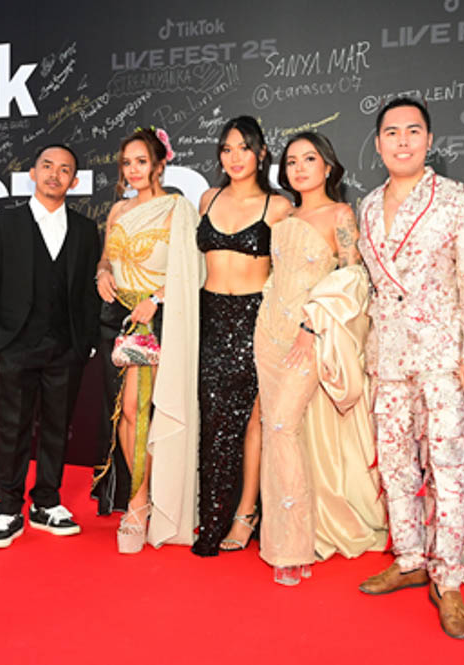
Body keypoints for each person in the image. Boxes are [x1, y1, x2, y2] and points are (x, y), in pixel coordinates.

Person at [355, 97, 464, 640]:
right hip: (387, 355)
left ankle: (449, 579)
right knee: (394, 463)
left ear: (429, 140)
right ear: (378, 144)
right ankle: (411, 558)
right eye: (392, 132)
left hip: (441, 355)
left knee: (447, 465)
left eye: (413, 131)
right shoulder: (368, 205)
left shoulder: (461, 200)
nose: (403, 141)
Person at [254, 132, 379, 585]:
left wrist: (312, 326)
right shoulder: (284, 216)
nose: (299, 168)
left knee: (281, 427)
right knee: (279, 432)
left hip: (309, 335)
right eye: (291, 161)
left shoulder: (341, 214)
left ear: (328, 167)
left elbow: (354, 277)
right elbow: (276, 277)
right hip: (268, 333)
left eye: (309, 159)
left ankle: (291, 547)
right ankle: (294, 533)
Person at [0, 144, 100, 549]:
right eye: (47, 166)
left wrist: (86, 343)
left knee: (56, 428)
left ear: (74, 182)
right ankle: (7, 506)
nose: (54, 175)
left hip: (66, 346)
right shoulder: (4, 224)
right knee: (12, 427)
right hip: (16, 344)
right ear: (32, 172)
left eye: (64, 170)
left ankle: (46, 501)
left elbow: (87, 293)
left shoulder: (85, 230)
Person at [92, 127, 202, 553]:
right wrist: (102, 272)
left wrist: (155, 299)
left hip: (153, 319)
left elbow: (192, 269)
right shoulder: (118, 210)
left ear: (159, 163)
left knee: (138, 412)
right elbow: (107, 257)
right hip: (115, 317)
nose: (133, 170)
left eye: (141, 161)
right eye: (127, 163)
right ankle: (138, 494)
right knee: (124, 415)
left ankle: (139, 504)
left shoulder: (177, 209)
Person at [191, 116, 292, 556]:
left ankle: (246, 513)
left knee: (255, 420)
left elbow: (293, 271)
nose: (235, 157)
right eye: (227, 149)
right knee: (213, 419)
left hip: (256, 318)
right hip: (209, 316)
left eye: (244, 148)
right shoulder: (207, 199)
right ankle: (210, 513)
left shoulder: (279, 206)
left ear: (262, 153)